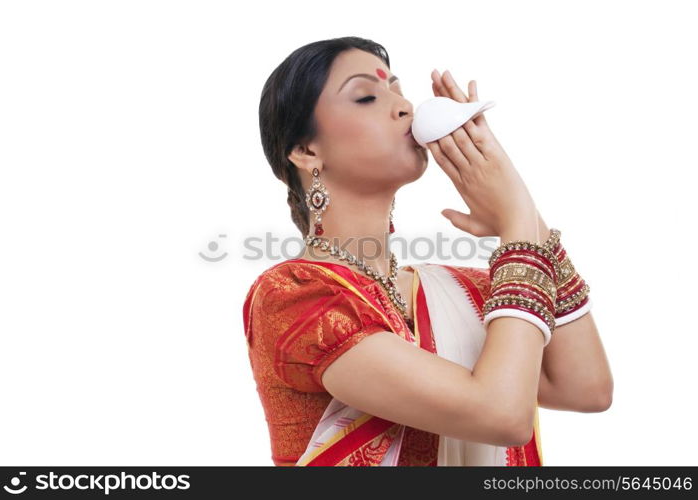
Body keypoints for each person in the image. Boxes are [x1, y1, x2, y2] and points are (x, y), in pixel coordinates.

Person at [242, 36, 613, 466]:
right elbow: (500, 415)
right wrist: (516, 229)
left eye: (398, 91)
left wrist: (520, 203)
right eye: (366, 97)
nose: (404, 107)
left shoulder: (464, 289)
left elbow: (587, 388)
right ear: (307, 152)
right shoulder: (294, 296)